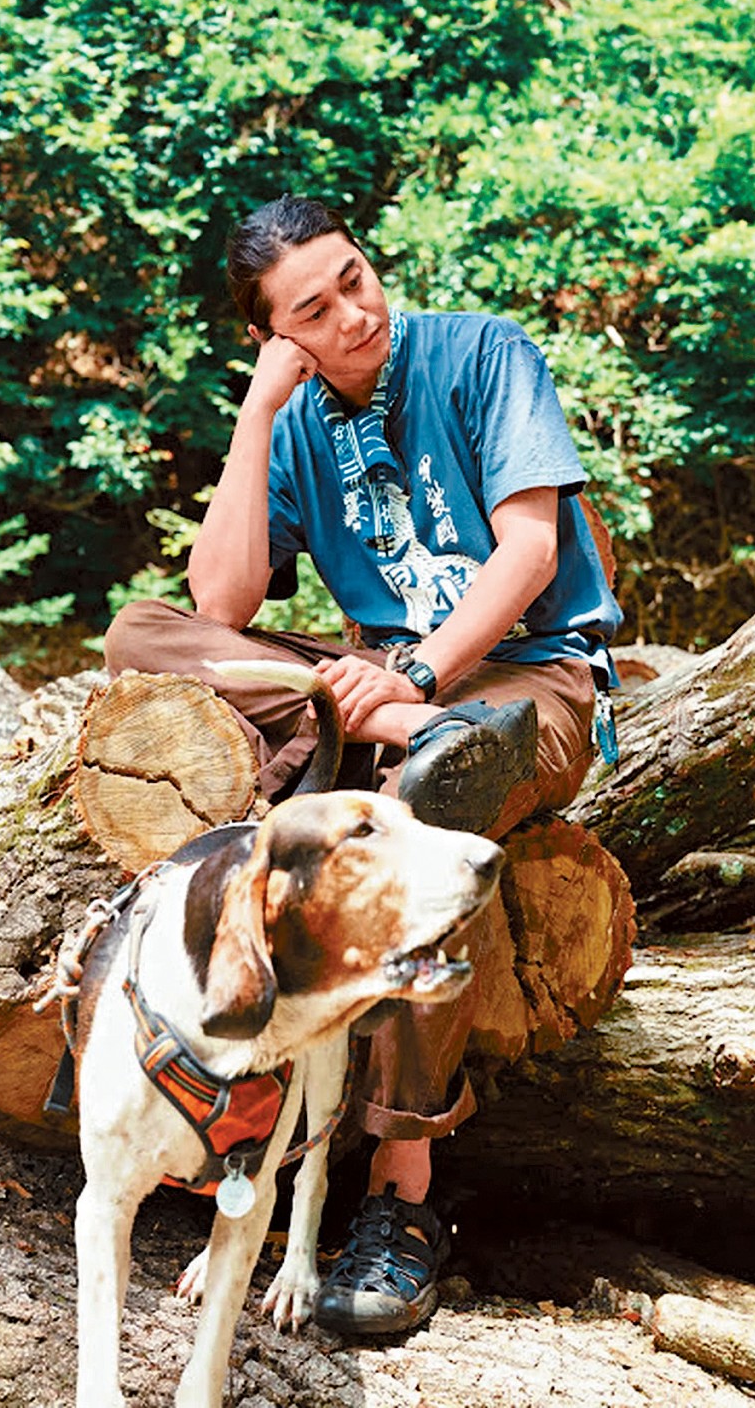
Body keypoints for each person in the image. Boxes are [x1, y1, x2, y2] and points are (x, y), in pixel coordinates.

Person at [104, 194, 622, 1337]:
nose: (354, 312)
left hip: (519, 686)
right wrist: (255, 417)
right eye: (314, 307)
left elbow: (530, 550)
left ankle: (402, 1195)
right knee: (140, 635)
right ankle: (251, 1138)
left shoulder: (482, 353)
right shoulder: (292, 413)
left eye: (355, 277)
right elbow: (220, 603)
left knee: (433, 787)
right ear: (275, 333)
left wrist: (421, 682)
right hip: (379, 689)